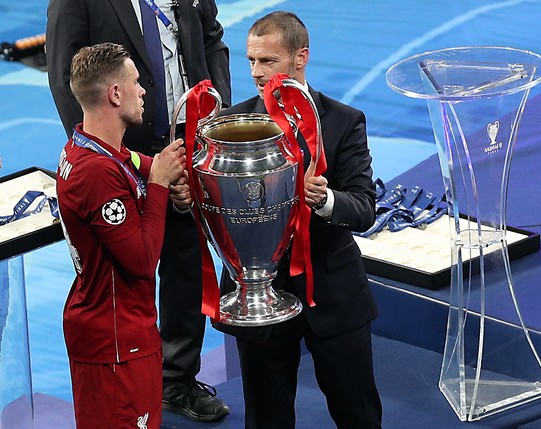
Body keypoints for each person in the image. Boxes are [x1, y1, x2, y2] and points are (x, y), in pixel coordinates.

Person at [46, 0, 231, 421]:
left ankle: (177, 379)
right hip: (120, 150)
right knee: (130, 266)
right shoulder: (94, 170)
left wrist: (210, 116)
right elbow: (65, 74)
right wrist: (114, 157)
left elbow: (210, 38)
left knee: (186, 264)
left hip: (179, 145)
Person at [216, 11, 383, 429]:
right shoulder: (228, 127)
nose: (256, 72)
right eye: (251, 60)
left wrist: (325, 199)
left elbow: (363, 209)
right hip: (259, 294)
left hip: (332, 291)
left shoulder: (344, 122)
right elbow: (210, 207)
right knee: (266, 419)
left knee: (358, 414)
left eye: (267, 61)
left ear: (300, 57)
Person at [56, 42, 190, 429]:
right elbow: (143, 261)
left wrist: (164, 170)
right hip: (117, 340)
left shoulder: (87, 147)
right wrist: (162, 186)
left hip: (110, 326)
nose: (144, 90)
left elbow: (143, 165)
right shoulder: (97, 172)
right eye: (135, 82)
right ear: (115, 94)